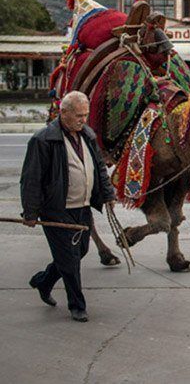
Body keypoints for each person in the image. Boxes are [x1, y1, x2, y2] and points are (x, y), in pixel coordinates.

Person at [21, 91, 116, 322]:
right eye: (78, 115)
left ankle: (44, 281)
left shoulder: (88, 136)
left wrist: (107, 193)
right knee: (69, 259)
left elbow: (100, 169)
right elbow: (31, 179)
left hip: (82, 208)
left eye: (85, 115)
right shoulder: (43, 140)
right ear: (63, 113)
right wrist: (31, 212)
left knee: (80, 251)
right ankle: (77, 305)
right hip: (56, 209)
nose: (83, 120)